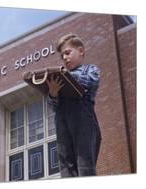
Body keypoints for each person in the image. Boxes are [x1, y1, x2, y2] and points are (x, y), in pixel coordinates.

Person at [46, 33, 101, 177]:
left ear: (81, 51)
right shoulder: (62, 75)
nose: (64, 58)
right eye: (62, 56)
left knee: (85, 164)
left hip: (84, 123)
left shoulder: (90, 69)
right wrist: (53, 92)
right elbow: (53, 106)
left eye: (67, 53)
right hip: (62, 124)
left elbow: (91, 81)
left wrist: (64, 76)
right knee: (65, 164)